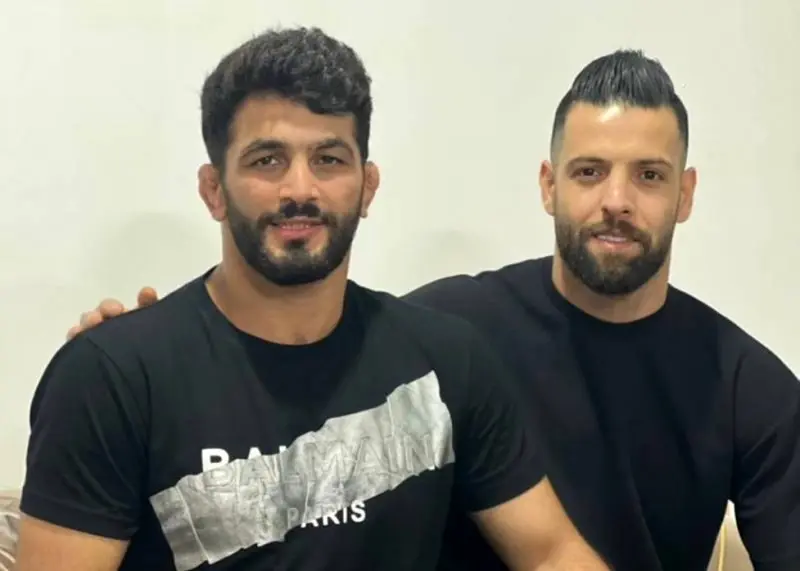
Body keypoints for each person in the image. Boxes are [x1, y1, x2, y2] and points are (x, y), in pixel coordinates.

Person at [67, 48, 800, 571]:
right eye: (588, 171)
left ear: (686, 193)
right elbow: (279, 374)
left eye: (649, 175)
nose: (616, 200)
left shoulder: (750, 388)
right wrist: (132, 365)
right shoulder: (446, 333)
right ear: (549, 185)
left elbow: (550, 553)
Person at [14, 27, 608, 571]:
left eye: (328, 159)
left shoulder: (447, 362)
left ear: (366, 187)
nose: (300, 188)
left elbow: (551, 553)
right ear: (214, 190)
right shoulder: (112, 378)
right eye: (267, 160)